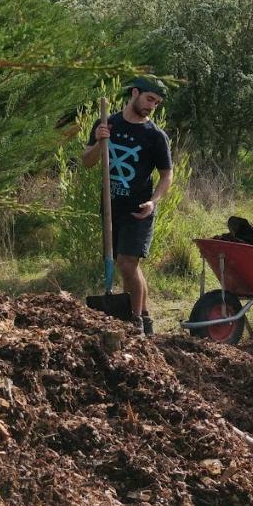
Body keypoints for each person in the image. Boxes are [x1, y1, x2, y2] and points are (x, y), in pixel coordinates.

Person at [83, 75, 173, 335]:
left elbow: (167, 174)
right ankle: (144, 317)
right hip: (111, 206)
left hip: (139, 209)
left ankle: (134, 322)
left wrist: (153, 202)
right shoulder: (106, 123)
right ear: (134, 93)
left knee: (127, 264)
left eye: (156, 102)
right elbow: (87, 162)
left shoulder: (155, 136)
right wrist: (101, 143)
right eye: (149, 99)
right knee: (123, 265)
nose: (152, 105)